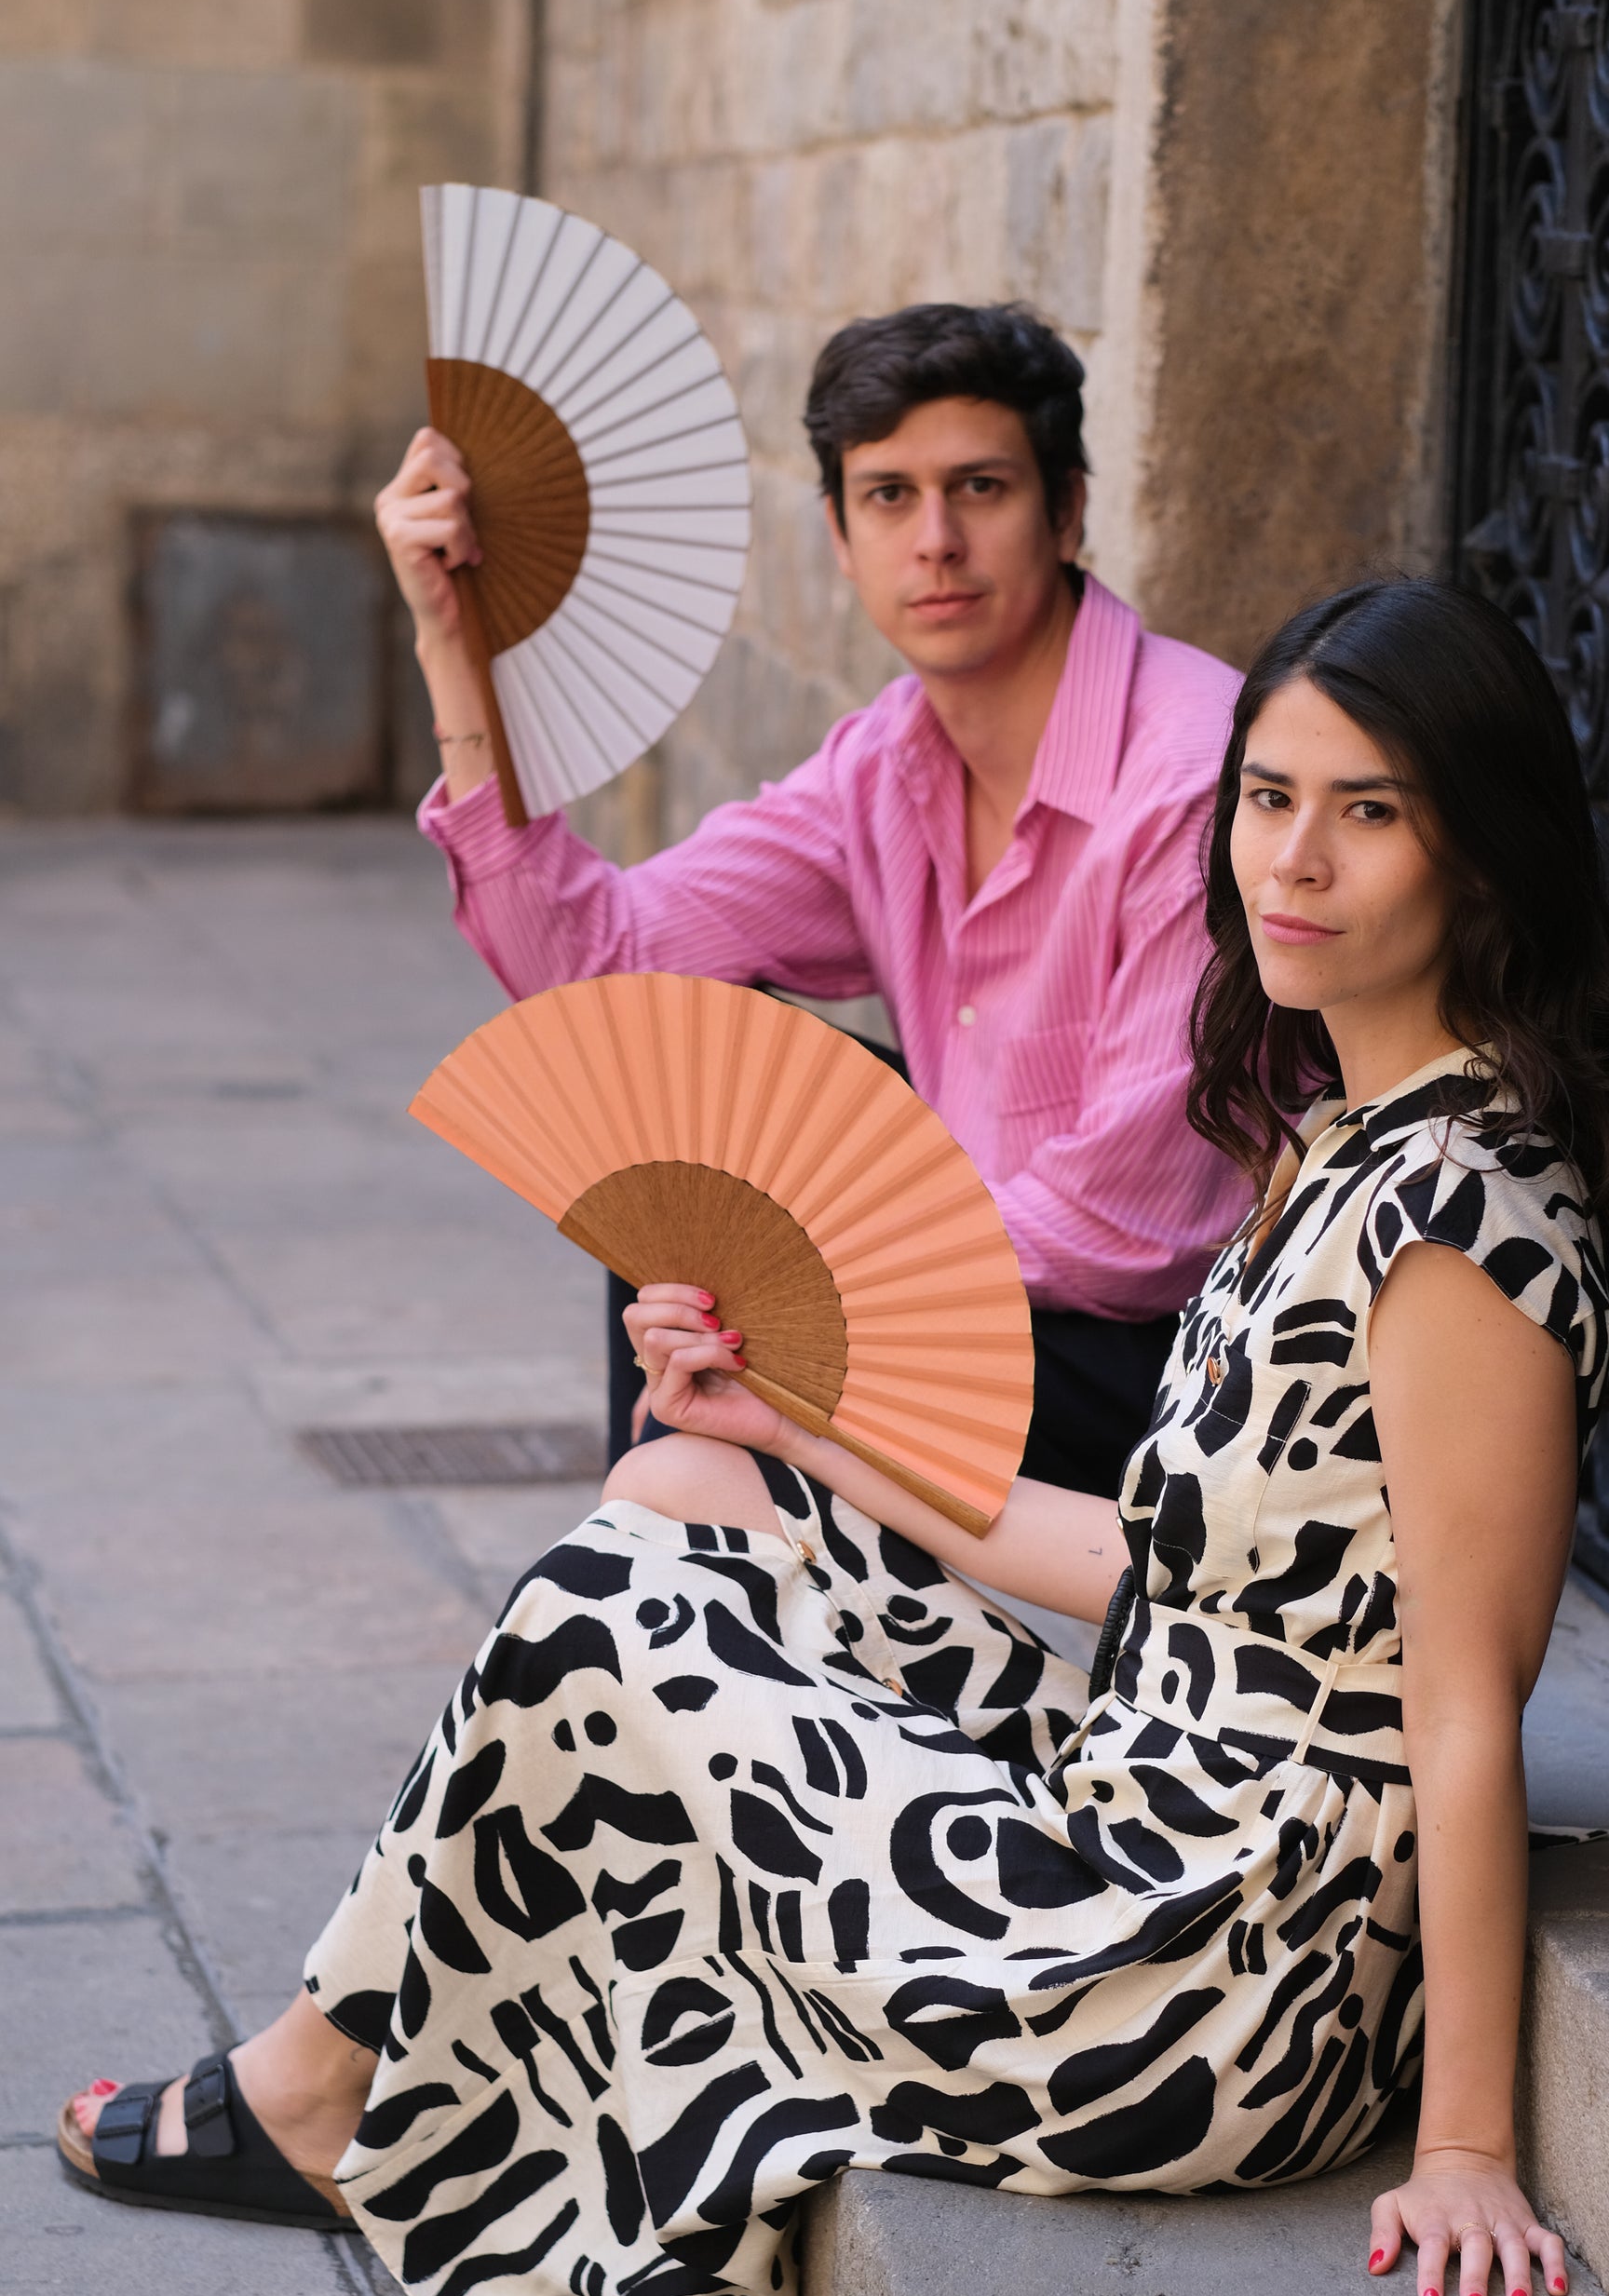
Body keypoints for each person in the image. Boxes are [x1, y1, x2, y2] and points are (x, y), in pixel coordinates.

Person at [60, 580, 1609, 2296]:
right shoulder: (1343, 1138)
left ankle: (313, 2086)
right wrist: (793, 1422)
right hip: (1147, 1769)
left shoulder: (1457, 1216)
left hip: (1209, 1968)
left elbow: (1465, 1705)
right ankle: (358, 2054)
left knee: (599, 1623)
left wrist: (1464, 2140)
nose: (1293, 858)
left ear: (1481, 854)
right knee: (689, 1490)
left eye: (1369, 810)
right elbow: (1161, 1564)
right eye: (1267, 796)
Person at [377, 302, 1247, 1496]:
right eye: (888, 496)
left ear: (1068, 508)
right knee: (682, 1127)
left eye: (979, 488)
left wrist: (811, 1271)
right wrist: (452, 643)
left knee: (737, 1317)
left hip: (1165, 1369)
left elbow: (1119, 1238)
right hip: (980, 1283)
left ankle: (693, 1586)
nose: (933, 540)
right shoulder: (885, 765)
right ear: (840, 536)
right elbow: (600, 965)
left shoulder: (1186, 783)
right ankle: (689, 1585)